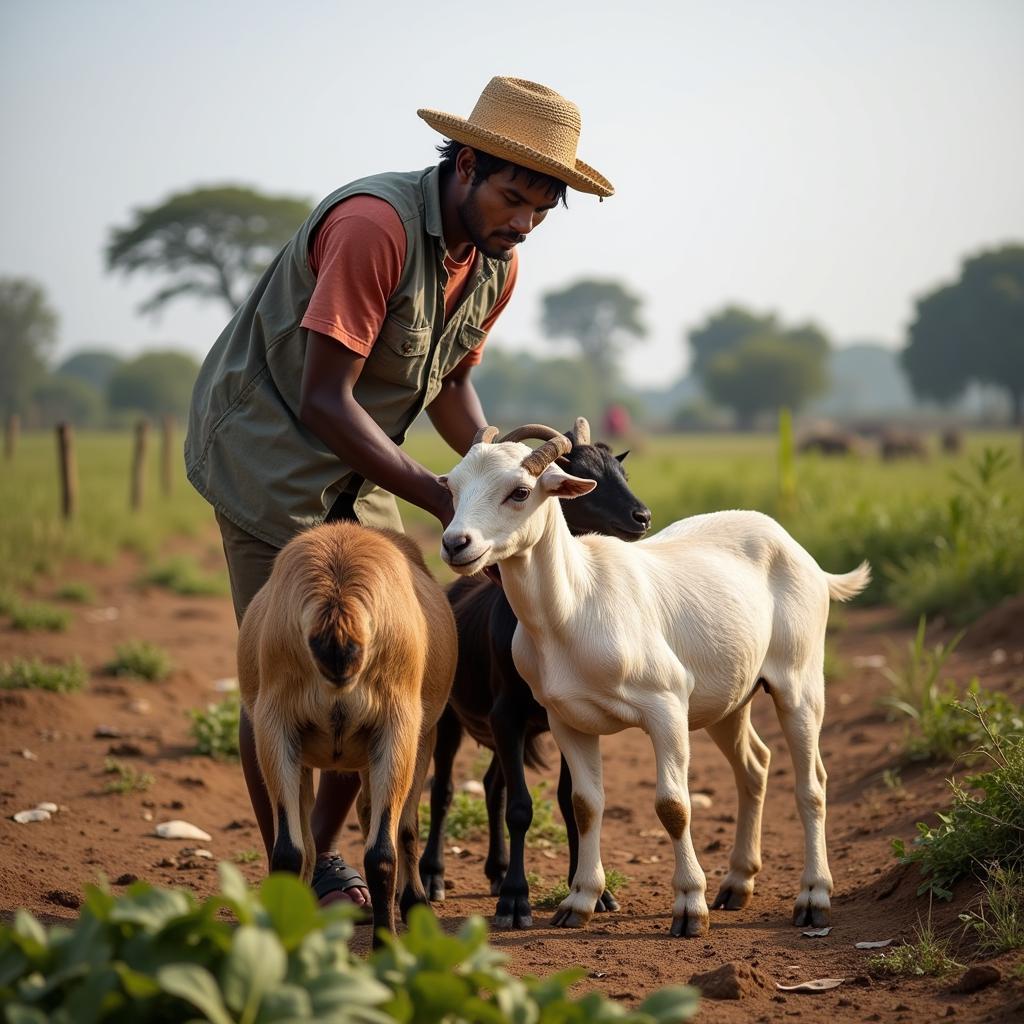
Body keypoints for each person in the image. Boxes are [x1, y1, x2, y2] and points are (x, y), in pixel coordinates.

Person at [185, 76, 613, 911]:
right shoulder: (373, 228)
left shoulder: (496, 264)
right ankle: (295, 869)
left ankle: (328, 858)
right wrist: (436, 493)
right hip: (267, 452)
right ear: (463, 166)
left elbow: (452, 390)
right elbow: (322, 399)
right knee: (282, 660)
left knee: (393, 648)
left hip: (358, 460)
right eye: (511, 196)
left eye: (540, 208)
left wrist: (496, 481)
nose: (522, 220)